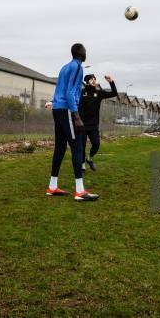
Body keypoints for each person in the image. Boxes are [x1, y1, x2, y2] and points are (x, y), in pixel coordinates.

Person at [47, 43, 99, 201]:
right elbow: (69, 92)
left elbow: (60, 90)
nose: (86, 53)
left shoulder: (65, 67)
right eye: (85, 51)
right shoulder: (77, 67)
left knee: (60, 148)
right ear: (81, 53)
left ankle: (52, 186)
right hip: (67, 109)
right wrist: (76, 116)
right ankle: (80, 191)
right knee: (77, 147)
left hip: (57, 109)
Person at [78, 74, 118, 171]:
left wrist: (111, 82)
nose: (94, 81)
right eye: (92, 79)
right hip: (82, 124)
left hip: (93, 125)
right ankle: (82, 164)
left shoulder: (99, 93)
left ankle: (90, 158)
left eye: (95, 79)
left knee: (96, 144)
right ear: (87, 82)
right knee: (81, 145)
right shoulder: (81, 92)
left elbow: (114, 93)